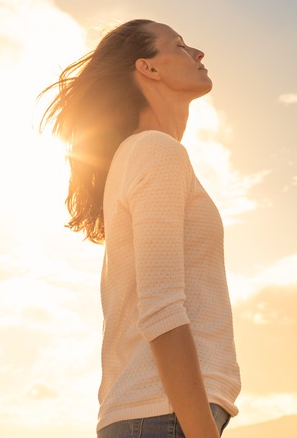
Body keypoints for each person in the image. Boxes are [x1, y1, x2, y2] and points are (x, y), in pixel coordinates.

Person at [40, 19, 241, 438]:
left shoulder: (138, 155)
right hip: (163, 417)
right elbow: (162, 308)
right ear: (148, 68)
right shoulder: (155, 151)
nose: (199, 54)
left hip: (154, 416)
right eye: (181, 46)